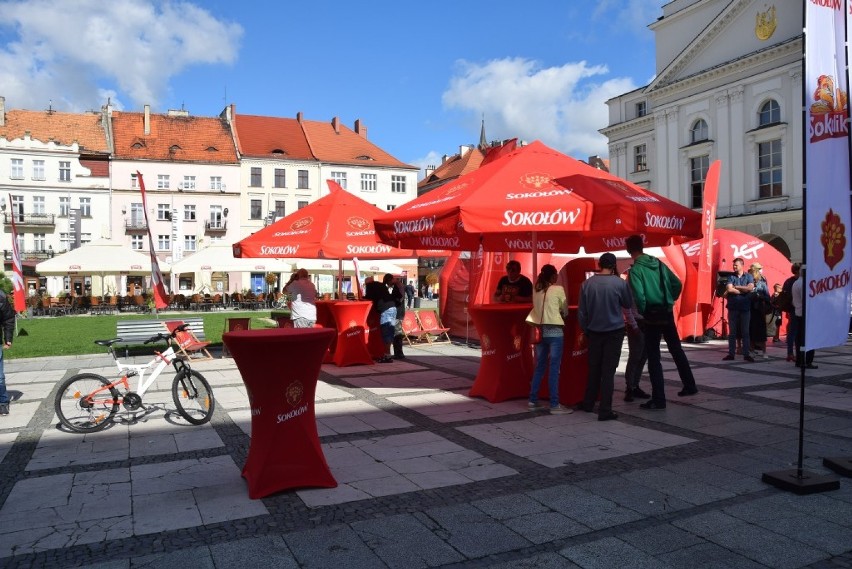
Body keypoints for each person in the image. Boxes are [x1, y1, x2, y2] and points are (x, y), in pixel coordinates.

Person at [625, 235, 699, 410]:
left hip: (651, 315)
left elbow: (639, 295)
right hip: (666, 312)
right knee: (676, 349)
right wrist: (669, 299)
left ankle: (659, 398)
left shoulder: (635, 270)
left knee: (653, 357)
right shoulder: (658, 263)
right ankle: (690, 385)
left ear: (629, 250)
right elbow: (677, 284)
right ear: (642, 246)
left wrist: (644, 311)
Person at [577, 253, 633, 421]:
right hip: (614, 332)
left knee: (594, 369)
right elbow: (628, 304)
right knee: (608, 372)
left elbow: (582, 312)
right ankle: (605, 409)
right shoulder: (620, 283)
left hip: (594, 332)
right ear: (614, 265)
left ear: (599, 264)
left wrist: (586, 329)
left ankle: (588, 403)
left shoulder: (586, 284)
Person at [525, 264, 572, 414]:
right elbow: (565, 310)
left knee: (540, 366)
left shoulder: (536, 289)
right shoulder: (558, 289)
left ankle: (532, 400)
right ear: (553, 277)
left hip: (540, 331)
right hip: (555, 331)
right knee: (554, 368)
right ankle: (554, 404)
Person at [622, 267, 650, 402]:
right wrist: (633, 325)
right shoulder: (629, 284)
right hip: (636, 321)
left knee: (643, 356)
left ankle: (635, 385)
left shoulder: (646, 282)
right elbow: (626, 307)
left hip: (646, 321)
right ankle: (629, 387)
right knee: (635, 356)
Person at [723, 257, 755, 362]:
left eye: (736, 265)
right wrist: (743, 290)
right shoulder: (731, 276)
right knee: (732, 332)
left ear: (742, 265)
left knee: (745, 332)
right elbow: (729, 289)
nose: (734, 267)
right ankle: (731, 354)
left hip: (745, 308)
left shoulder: (749, 276)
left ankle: (746, 354)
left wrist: (736, 287)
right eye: (734, 265)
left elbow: (750, 288)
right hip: (733, 308)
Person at [364, 274, 399, 363]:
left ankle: (387, 356)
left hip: (386, 309)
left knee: (386, 332)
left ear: (367, 282)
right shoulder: (380, 285)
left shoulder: (370, 286)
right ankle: (387, 354)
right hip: (393, 308)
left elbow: (369, 298)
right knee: (390, 331)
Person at [791, 269, 817, 369]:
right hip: (805, 314)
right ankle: (807, 361)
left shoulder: (796, 283)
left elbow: (795, 300)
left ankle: (800, 360)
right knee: (809, 338)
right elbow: (806, 300)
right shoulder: (804, 284)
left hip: (798, 312)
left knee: (799, 339)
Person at [748, 263, 770, 359]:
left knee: (761, 332)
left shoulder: (762, 284)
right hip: (750, 309)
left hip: (760, 310)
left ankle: (764, 351)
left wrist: (760, 296)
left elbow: (768, 297)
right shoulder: (748, 283)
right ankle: (752, 350)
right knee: (751, 331)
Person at [780, 263, 800, 362]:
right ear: (797, 271)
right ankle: (793, 353)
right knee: (794, 332)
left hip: (792, 308)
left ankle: (791, 353)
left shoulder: (788, 281)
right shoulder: (794, 282)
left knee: (793, 332)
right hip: (795, 309)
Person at [0, 290, 15, 415]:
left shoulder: (1, 297)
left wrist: (8, 339)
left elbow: (8, 318)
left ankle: (3, 402)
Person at [391, 277, 407, 359]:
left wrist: (391, 299)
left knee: (397, 333)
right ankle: (398, 353)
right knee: (397, 333)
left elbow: (400, 298)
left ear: (395, 279)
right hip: (399, 312)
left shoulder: (398, 286)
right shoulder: (399, 286)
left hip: (398, 313)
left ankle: (399, 353)